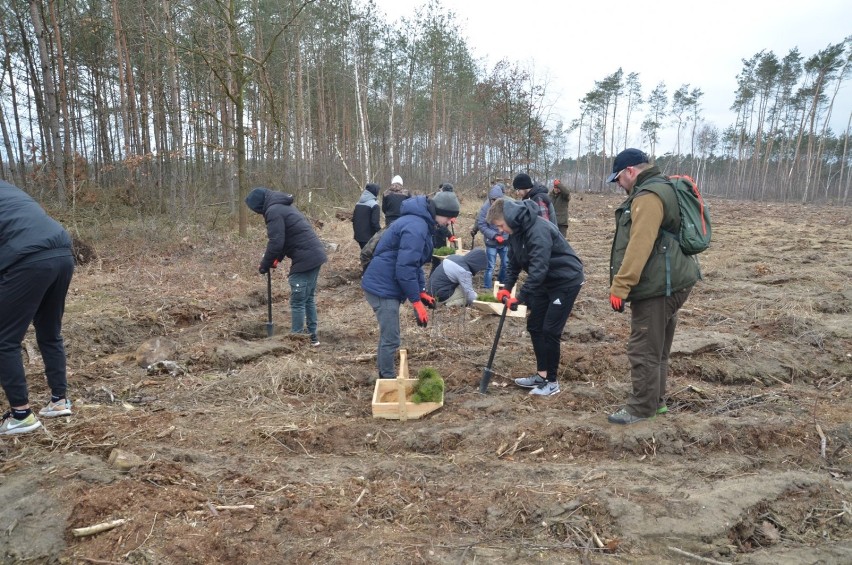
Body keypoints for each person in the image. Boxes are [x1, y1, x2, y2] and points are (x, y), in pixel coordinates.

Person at [606, 148, 701, 425]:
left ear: (631, 171)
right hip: (672, 282)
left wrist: (620, 287)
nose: (618, 184)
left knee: (644, 348)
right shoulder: (661, 187)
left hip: (659, 285)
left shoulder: (647, 197)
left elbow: (640, 245)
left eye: (618, 179)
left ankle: (641, 408)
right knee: (657, 348)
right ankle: (655, 402)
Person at [486, 197, 584, 397]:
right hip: (545, 281)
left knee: (550, 330)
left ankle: (552, 382)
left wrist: (520, 298)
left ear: (510, 218)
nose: (501, 231)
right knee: (534, 326)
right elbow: (513, 263)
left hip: (565, 280)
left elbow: (538, 269)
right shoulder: (516, 232)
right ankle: (542, 375)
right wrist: (506, 288)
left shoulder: (538, 230)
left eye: (501, 226)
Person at [0, 181, 75, 435]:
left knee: (4, 340)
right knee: (49, 331)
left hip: (28, 259)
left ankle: (21, 415)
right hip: (62, 253)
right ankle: (59, 401)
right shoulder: (9, 188)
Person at [362, 191, 460, 379]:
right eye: (448, 218)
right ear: (438, 211)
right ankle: (387, 380)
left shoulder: (421, 223)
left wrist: (421, 291)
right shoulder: (416, 227)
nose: (449, 222)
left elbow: (415, 263)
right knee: (391, 338)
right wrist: (415, 301)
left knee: (389, 336)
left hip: (387, 283)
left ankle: (386, 375)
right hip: (382, 288)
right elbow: (405, 268)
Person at [245, 187, 328, 346]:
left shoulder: (273, 211)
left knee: (298, 301)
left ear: (259, 206)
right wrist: (275, 260)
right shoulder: (282, 206)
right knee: (308, 298)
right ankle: (312, 337)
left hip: (306, 258)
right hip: (315, 255)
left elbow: (276, 242)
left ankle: (296, 339)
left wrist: (264, 264)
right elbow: (284, 241)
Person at [476, 183, 509, 292]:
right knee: (490, 266)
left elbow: (510, 222)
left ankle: (501, 284)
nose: (494, 202)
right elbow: (481, 224)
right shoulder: (485, 208)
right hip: (491, 242)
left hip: (504, 242)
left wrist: (505, 236)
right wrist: (494, 235)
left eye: (496, 199)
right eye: (492, 199)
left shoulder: (506, 205)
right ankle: (487, 287)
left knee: (506, 264)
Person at [430, 183, 459, 271]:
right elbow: (441, 226)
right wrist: (449, 235)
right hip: (437, 236)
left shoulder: (450, 199)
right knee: (436, 262)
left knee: (438, 262)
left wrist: (450, 219)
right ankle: (434, 279)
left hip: (441, 232)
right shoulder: (438, 200)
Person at [352, 183, 382, 249]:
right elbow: (375, 222)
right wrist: (381, 233)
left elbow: (353, 219)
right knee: (370, 257)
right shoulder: (374, 205)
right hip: (369, 237)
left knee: (364, 255)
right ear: (375, 192)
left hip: (358, 236)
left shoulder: (358, 203)